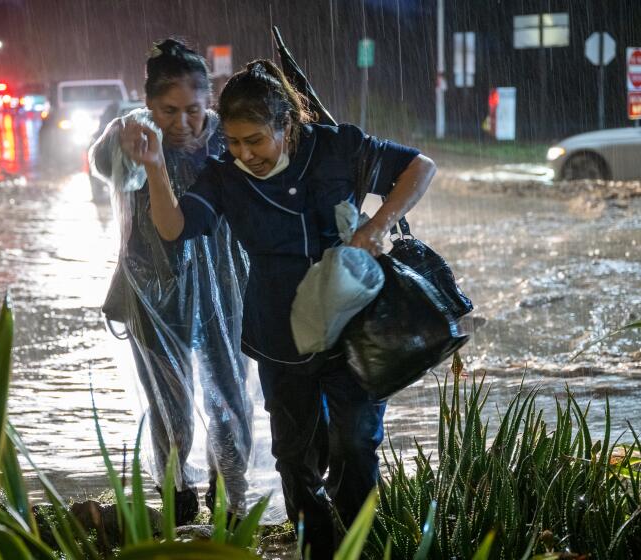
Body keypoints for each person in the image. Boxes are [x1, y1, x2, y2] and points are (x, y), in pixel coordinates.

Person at [120, 59, 436, 556]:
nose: (245, 154)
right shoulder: (224, 176)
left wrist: (374, 229)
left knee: (354, 444)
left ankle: (359, 546)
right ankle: (317, 548)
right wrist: (157, 169)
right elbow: (174, 228)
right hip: (279, 330)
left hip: (353, 322)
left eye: (256, 140)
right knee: (293, 456)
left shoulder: (336, 147)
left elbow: (420, 167)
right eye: (235, 142)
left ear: (287, 126)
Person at [90, 39, 252, 525]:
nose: (182, 123)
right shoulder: (134, 136)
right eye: (169, 110)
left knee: (229, 400)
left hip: (225, 295)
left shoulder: (229, 140)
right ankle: (177, 501)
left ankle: (231, 503)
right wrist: (123, 144)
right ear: (149, 105)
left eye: (193, 110)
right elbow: (103, 165)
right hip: (154, 296)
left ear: (211, 102)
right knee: (170, 410)